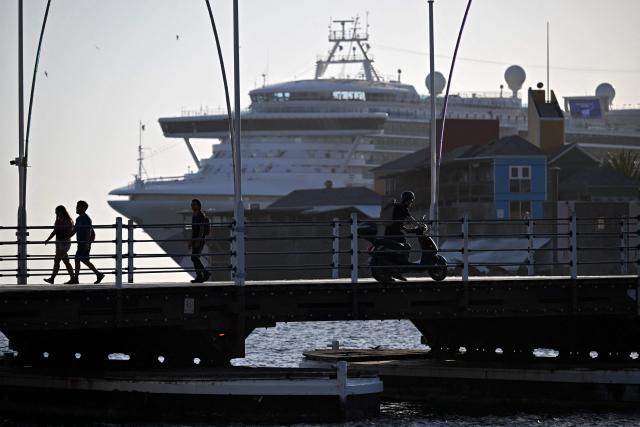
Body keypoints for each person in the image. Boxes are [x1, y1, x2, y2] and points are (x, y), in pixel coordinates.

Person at [66, 200, 104, 284]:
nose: (76, 208)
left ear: (83, 208)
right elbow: (75, 230)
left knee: (77, 259)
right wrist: (66, 237)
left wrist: (87, 243)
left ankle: (76, 278)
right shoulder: (79, 219)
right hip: (81, 243)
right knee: (85, 260)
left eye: (78, 206)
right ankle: (98, 274)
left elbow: (88, 231)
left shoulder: (86, 219)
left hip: (84, 243)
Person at [383, 191, 417, 281]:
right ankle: (399, 270)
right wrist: (421, 225)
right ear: (407, 200)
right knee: (407, 247)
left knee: (401, 249)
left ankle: (397, 269)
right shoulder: (403, 208)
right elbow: (411, 220)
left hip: (390, 233)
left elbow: (398, 223)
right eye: (411, 200)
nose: (411, 202)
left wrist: (407, 229)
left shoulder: (397, 207)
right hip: (394, 234)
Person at [43, 205, 75, 284]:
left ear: (61, 211)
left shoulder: (67, 220)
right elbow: (55, 231)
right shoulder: (58, 220)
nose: (55, 213)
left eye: (56, 211)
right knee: (66, 261)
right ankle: (73, 278)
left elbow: (70, 231)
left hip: (64, 242)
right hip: (58, 242)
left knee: (57, 260)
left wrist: (66, 237)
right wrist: (48, 239)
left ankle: (52, 278)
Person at [189, 199, 211, 283]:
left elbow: (201, 229)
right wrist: (191, 241)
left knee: (194, 257)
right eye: (192, 204)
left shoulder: (200, 215)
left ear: (198, 206)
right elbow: (193, 229)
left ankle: (204, 274)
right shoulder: (194, 215)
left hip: (199, 239)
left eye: (194, 204)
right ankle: (200, 275)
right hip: (195, 239)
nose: (192, 206)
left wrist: (198, 240)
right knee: (194, 258)